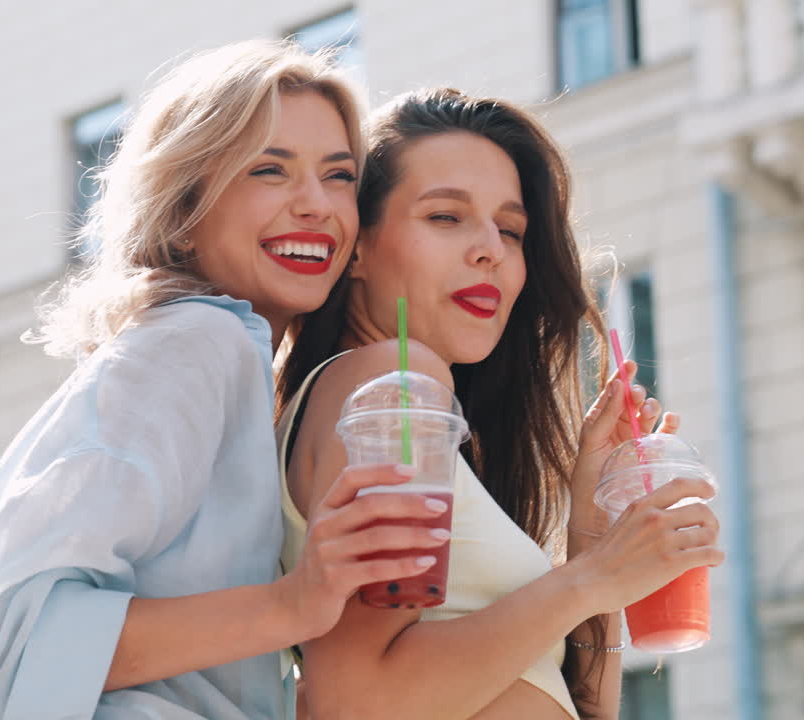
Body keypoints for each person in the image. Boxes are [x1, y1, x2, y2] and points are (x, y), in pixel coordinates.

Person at [0, 41, 450, 720]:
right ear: (184, 211)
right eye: (269, 170)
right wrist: (293, 603)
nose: (316, 204)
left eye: (338, 176)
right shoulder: (196, 342)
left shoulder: (237, 365)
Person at [277, 88, 725, 719]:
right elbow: (358, 701)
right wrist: (591, 576)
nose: (490, 248)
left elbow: (582, 709)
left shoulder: (412, 412)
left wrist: (591, 529)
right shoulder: (392, 380)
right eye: (445, 217)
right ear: (356, 246)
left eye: (511, 230)